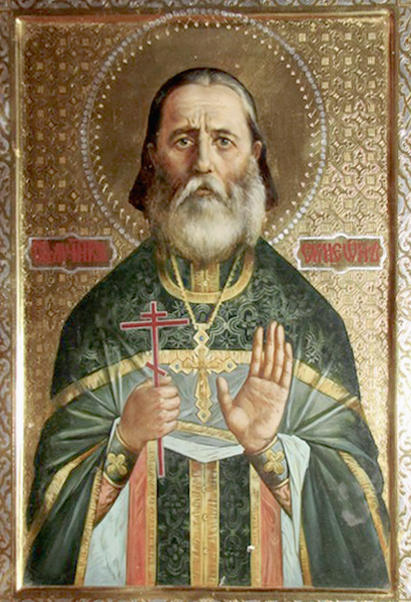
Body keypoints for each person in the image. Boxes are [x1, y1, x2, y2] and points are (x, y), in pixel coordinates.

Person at [25, 68, 389, 589]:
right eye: (182, 141)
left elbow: (362, 534)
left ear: (254, 156)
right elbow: (44, 531)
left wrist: (269, 449)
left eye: (223, 141)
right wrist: (124, 440)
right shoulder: (101, 320)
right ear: (153, 156)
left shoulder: (306, 319)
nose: (202, 163)